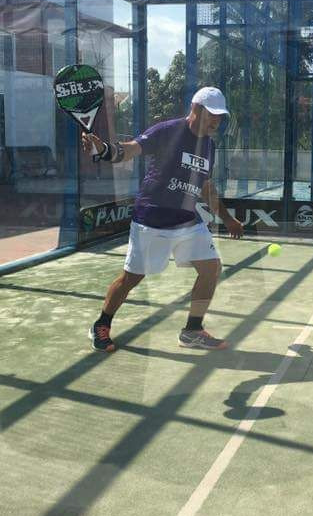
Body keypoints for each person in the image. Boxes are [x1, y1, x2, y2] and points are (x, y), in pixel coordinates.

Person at [81, 86, 244, 353]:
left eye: (219, 116)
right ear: (195, 109)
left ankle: (192, 331)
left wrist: (227, 218)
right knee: (131, 278)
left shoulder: (209, 146)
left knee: (211, 268)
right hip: (152, 218)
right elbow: (129, 150)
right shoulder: (167, 131)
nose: (216, 121)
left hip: (187, 220)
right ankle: (101, 324)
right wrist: (103, 149)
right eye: (211, 114)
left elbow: (205, 186)